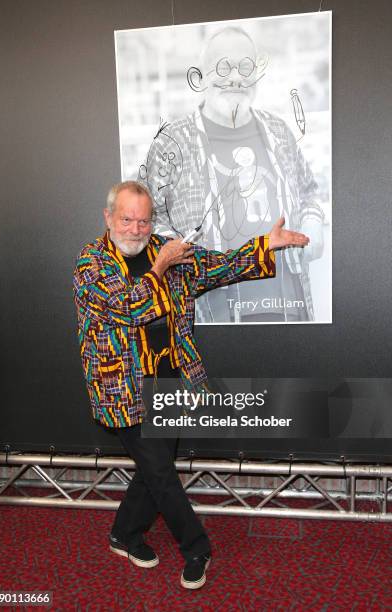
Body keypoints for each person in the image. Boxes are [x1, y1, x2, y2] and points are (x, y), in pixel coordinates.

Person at [73, 180, 309, 589]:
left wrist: (265, 246)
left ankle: (124, 534)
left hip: (170, 377)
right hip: (122, 387)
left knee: (153, 470)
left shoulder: (167, 251)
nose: (135, 228)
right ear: (108, 217)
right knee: (161, 473)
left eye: (143, 220)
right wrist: (161, 266)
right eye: (126, 218)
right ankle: (196, 546)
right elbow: (129, 307)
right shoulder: (90, 265)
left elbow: (219, 265)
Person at [143, 26, 325, 323]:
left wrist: (313, 222)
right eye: (223, 66)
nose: (235, 76)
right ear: (202, 76)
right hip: (210, 314)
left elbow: (308, 192)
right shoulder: (172, 142)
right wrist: (181, 260)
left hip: (288, 306)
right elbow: (147, 221)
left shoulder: (278, 131)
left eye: (245, 66)